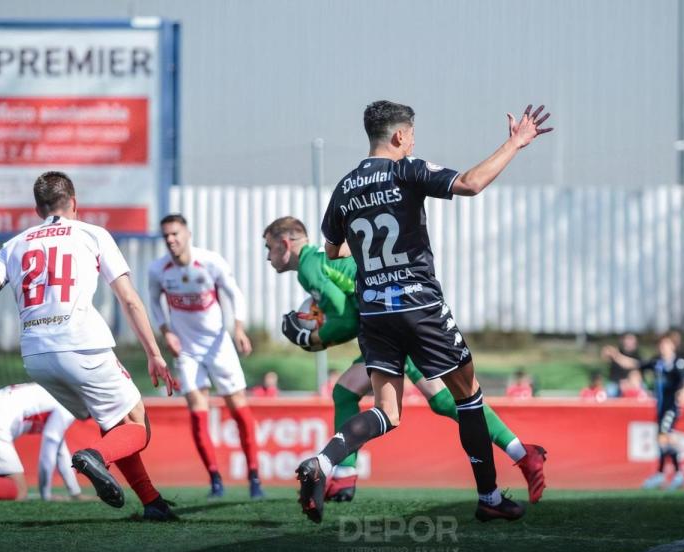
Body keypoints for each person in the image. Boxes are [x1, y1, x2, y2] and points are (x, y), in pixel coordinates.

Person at [293, 100, 552, 524]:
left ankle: (323, 462)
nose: (413, 142)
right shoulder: (405, 170)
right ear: (399, 136)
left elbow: (333, 250)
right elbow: (470, 183)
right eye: (411, 135)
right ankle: (489, 497)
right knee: (468, 398)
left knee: (386, 412)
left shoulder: (344, 188)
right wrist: (515, 143)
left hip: (374, 313)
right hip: (419, 305)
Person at [0, 171, 180, 520]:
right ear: (74, 202)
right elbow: (129, 300)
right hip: (82, 345)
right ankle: (96, 457)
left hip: (36, 357)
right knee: (137, 426)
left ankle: (152, 503)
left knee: (114, 423)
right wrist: (154, 353)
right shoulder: (93, 234)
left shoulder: (13, 245)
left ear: (37, 209)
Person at [267, 216, 546, 504]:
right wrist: (318, 336)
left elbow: (346, 320)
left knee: (436, 400)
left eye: (269, 247)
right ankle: (344, 477)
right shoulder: (320, 259)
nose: (267, 256)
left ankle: (520, 455)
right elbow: (349, 313)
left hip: (390, 321)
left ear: (284, 244)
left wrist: (310, 338)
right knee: (347, 391)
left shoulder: (309, 267)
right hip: (387, 320)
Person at [148, 214, 263, 499]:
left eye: (175, 233)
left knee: (238, 408)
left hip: (218, 345)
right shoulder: (158, 269)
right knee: (197, 412)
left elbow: (235, 294)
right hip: (186, 351)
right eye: (166, 235)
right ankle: (215, 480)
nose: (171, 240)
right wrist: (166, 332)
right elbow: (153, 302)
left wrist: (238, 328)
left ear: (187, 234)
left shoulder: (211, 262)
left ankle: (254, 477)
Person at [0, 384, 83, 501]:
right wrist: (46, 495)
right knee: (18, 489)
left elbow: (59, 450)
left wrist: (75, 493)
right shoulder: (67, 402)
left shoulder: (50, 389)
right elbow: (49, 449)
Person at [605, 333, 684, 490]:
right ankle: (668, 474)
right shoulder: (657, 363)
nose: (663, 348)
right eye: (661, 345)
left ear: (672, 347)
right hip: (661, 407)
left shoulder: (678, 363)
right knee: (663, 439)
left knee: (663, 437)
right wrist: (616, 356)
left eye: (666, 345)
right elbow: (634, 364)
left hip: (671, 407)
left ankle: (672, 474)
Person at [607, 333, 640, 398]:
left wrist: (615, 355)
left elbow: (632, 364)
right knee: (610, 392)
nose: (629, 342)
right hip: (616, 383)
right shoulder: (619, 351)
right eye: (627, 339)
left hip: (632, 383)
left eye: (631, 339)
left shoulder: (637, 355)